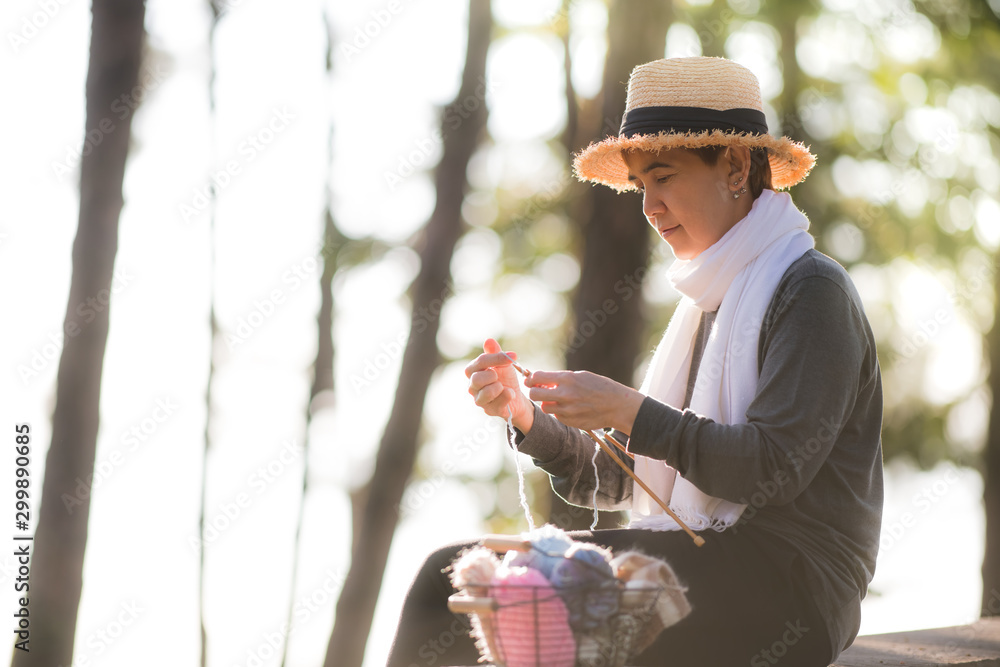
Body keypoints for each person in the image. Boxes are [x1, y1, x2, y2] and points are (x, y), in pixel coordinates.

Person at [386, 56, 883, 667]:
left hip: (792, 583)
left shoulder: (811, 291)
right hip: (711, 559)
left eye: (665, 177)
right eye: (642, 185)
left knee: (452, 584)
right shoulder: (710, 300)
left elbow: (772, 471)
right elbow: (631, 480)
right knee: (469, 582)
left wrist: (633, 411)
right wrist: (528, 419)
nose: (649, 206)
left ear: (733, 164)